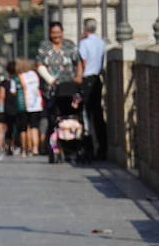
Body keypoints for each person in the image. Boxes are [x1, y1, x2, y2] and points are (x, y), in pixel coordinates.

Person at [36, 21, 80, 161]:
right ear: (50, 33)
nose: (56, 35)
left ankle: (73, 145)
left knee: (72, 115)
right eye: (53, 33)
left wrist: (79, 77)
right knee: (52, 118)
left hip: (69, 87)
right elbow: (39, 64)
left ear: (62, 32)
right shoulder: (45, 46)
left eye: (58, 32)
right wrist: (49, 79)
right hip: (52, 89)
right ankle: (53, 147)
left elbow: (78, 62)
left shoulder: (69, 45)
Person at [76, 18, 107, 161]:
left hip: (87, 79)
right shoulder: (101, 43)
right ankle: (102, 147)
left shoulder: (84, 43)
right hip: (97, 80)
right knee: (98, 114)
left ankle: (88, 147)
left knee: (86, 114)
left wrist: (78, 78)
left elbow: (83, 62)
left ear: (85, 28)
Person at [0, 60, 21, 159]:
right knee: (11, 129)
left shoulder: (5, 82)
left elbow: (2, 96)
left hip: (4, 108)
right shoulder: (19, 82)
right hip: (15, 109)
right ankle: (10, 147)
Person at [18, 59, 45, 156]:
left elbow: (23, 88)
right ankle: (35, 148)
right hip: (37, 103)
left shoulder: (21, 76)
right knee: (35, 127)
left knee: (26, 127)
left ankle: (26, 148)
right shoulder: (35, 74)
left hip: (26, 104)